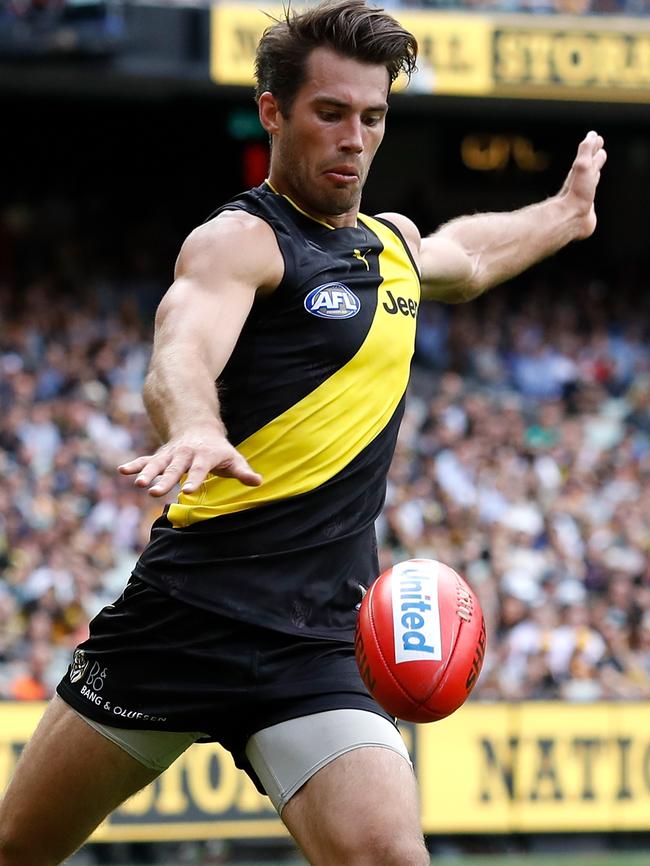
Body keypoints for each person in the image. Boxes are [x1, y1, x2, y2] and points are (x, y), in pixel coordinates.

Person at [0, 1, 607, 863]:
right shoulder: (239, 242)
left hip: (319, 644)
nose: (355, 137)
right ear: (274, 110)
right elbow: (180, 350)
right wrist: (198, 425)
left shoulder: (391, 248)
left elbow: (466, 256)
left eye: (373, 117)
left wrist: (563, 215)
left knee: (390, 856)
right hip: (180, 623)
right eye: (331, 113)